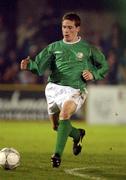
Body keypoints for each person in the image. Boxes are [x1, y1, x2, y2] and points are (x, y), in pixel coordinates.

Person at [20, 12, 109, 168]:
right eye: (63, 27)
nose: (66, 30)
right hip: (53, 89)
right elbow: (39, 68)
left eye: (69, 27)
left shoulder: (87, 49)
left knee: (65, 114)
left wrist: (93, 74)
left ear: (77, 29)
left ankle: (57, 155)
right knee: (56, 126)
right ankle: (77, 134)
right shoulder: (54, 48)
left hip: (75, 89)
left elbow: (105, 66)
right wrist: (29, 66)